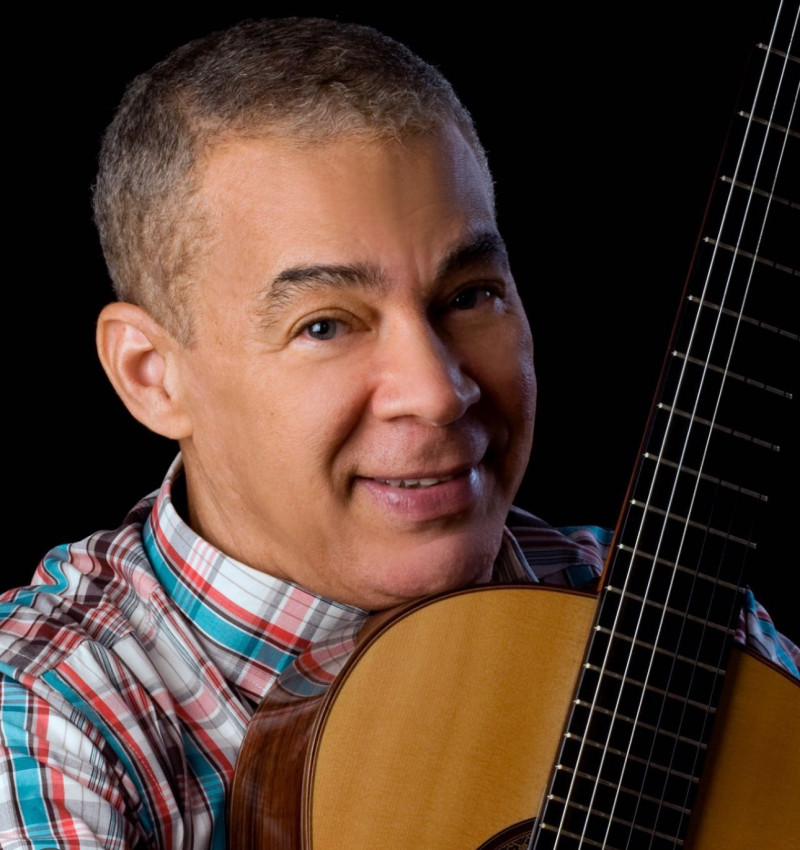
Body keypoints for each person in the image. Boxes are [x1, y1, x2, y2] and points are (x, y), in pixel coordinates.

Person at [1, 16, 797, 850]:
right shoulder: (50, 721)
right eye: (325, 326)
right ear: (151, 375)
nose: (438, 393)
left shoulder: (679, 629)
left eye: (469, 295)